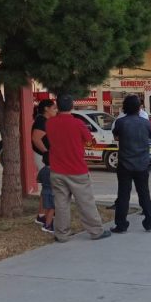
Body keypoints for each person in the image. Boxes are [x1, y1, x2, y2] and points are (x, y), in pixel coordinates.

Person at [45, 94, 111, 242]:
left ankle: (61, 234)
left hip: (57, 169)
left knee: (61, 203)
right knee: (85, 202)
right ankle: (96, 231)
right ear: (72, 106)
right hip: (77, 169)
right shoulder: (78, 123)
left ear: (57, 107)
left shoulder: (50, 123)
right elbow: (89, 140)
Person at [110, 94, 151, 233]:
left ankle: (121, 225)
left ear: (124, 107)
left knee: (124, 194)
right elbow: (148, 136)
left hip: (125, 163)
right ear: (139, 107)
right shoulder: (146, 123)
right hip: (142, 163)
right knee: (144, 193)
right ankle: (150, 222)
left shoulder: (121, 122)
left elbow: (116, 136)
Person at [31, 99, 57, 228]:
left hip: (44, 156)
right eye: (54, 108)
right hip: (42, 157)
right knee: (48, 186)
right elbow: (36, 139)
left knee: (46, 188)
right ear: (46, 109)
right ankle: (45, 217)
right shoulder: (41, 121)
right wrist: (47, 153)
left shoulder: (44, 121)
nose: (56, 111)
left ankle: (41, 215)